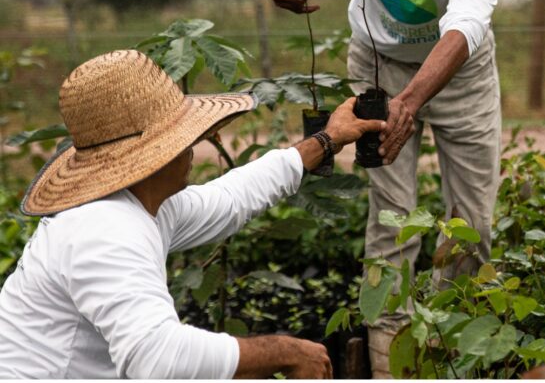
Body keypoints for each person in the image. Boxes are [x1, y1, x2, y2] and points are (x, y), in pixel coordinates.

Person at [259, 0, 525, 376]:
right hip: (376, 64)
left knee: (472, 221)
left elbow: (468, 21)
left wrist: (413, 99)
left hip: (458, 72)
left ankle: (451, 354)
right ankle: (391, 363)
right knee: (392, 216)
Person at [0, 49, 385, 379]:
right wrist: (285, 351)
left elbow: (230, 197)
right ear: (158, 152)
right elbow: (160, 359)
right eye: (184, 134)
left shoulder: (139, 205)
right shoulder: (105, 228)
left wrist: (327, 139)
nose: (193, 143)